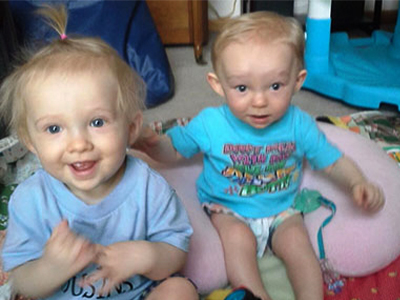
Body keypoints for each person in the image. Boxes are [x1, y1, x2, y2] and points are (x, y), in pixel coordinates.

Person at [134, 11, 385, 300]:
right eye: (242, 88)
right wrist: (152, 145)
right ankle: (255, 296)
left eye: (275, 86)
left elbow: (332, 160)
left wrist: (356, 183)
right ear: (218, 85)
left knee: (299, 246)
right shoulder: (210, 124)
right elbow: (176, 150)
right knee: (236, 242)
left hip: (281, 207)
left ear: (297, 81)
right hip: (228, 208)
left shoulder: (298, 124)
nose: (260, 101)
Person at [0, 5, 198, 300]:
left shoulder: (147, 185)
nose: (78, 144)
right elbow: (23, 285)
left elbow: (176, 251)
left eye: (97, 122)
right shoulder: (30, 201)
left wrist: (146, 255)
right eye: (54, 129)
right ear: (29, 140)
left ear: (131, 129)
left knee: (181, 290)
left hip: (136, 295)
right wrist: (51, 268)